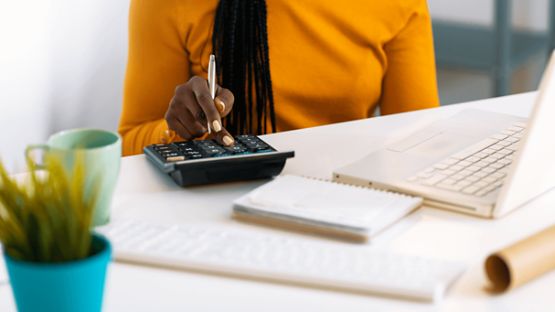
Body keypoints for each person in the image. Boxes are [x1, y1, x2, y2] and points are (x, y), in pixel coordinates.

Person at [119, 0, 439, 156]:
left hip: (345, 202)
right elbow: (126, 145)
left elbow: (419, 144)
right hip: (215, 207)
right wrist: (177, 129)